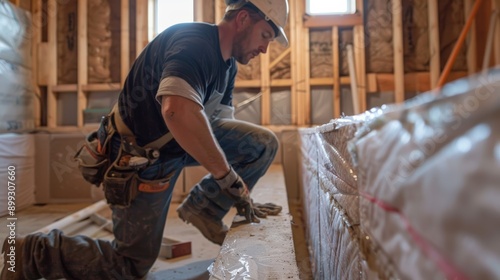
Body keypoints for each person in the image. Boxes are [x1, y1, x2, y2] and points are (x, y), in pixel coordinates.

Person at [1, 0, 289, 279]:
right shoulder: (194, 43)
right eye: (265, 35)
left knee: (262, 145)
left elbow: (217, 124)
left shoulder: (228, 66)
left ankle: (204, 208)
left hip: (172, 149)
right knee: (129, 265)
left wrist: (231, 188)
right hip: (140, 159)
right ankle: (32, 254)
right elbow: (176, 110)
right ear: (242, 19)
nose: (264, 49)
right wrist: (228, 178)